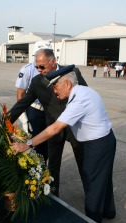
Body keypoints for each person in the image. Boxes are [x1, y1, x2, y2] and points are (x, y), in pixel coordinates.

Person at [12, 65, 117, 223]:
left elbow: (54, 129)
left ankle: (92, 220)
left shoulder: (79, 100)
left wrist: (27, 144)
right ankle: (109, 211)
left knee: (93, 185)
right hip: (104, 140)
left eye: (55, 86)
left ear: (67, 84)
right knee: (103, 179)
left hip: (97, 146)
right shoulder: (83, 91)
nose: (54, 91)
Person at [8, 49, 88, 197]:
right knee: (53, 167)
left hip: (75, 127)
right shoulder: (37, 81)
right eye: (36, 67)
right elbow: (23, 103)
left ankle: (92, 199)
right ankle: (54, 200)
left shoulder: (72, 73)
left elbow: (85, 96)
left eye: (42, 67)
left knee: (84, 165)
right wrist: (6, 121)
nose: (39, 70)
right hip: (53, 127)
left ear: (53, 62)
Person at [15, 40, 53, 161]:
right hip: (34, 111)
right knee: (36, 142)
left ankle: (45, 171)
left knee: (49, 142)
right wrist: (24, 118)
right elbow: (20, 94)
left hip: (49, 111)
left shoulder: (53, 68)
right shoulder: (27, 70)